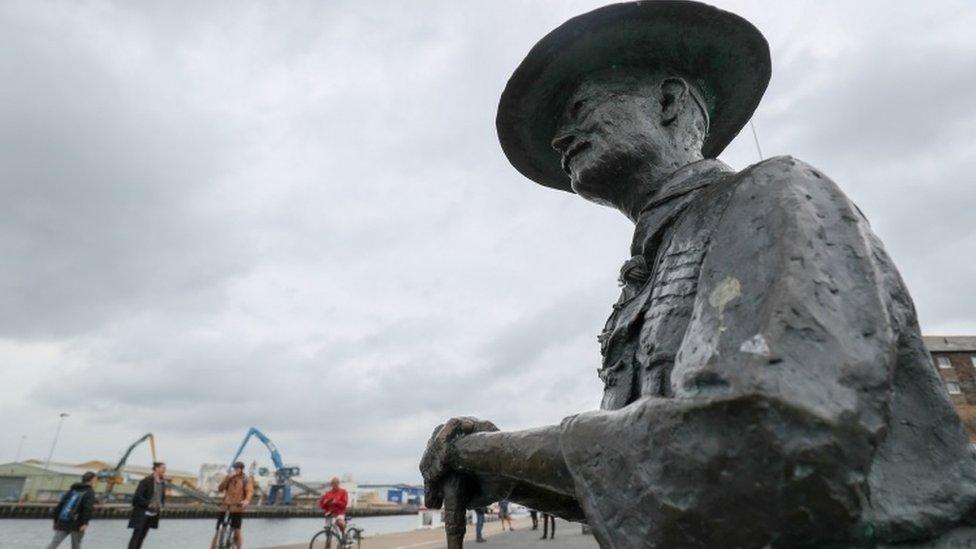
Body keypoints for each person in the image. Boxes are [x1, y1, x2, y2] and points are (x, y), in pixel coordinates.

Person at [420, 2, 976, 547]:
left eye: (580, 109)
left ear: (668, 101)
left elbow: (756, 446)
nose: (560, 139)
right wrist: (509, 474)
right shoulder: (647, 271)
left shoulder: (772, 195)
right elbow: (659, 490)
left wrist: (484, 454)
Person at [47, 471, 96, 549]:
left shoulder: (72, 490)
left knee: (54, 543)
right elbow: (87, 508)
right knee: (76, 545)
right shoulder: (89, 492)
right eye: (95, 479)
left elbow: (60, 505)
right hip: (77, 523)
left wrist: (56, 521)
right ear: (92, 480)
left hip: (63, 521)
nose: (95, 481)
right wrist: (85, 523)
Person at [211, 461, 254, 549]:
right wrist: (228, 478)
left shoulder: (246, 479)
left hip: (237, 507)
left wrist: (247, 500)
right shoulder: (229, 477)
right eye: (234, 468)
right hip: (225, 506)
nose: (235, 470)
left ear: (241, 469)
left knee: (237, 531)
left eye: (237, 469)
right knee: (217, 530)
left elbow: (249, 491)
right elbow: (220, 488)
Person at [127, 461, 166, 549]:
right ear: (156, 468)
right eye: (163, 468)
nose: (165, 470)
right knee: (136, 535)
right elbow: (137, 497)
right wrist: (149, 504)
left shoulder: (162, 482)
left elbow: (162, 497)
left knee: (142, 536)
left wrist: (161, 505)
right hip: (142, 512)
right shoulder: (146, 481)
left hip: (153, 513)